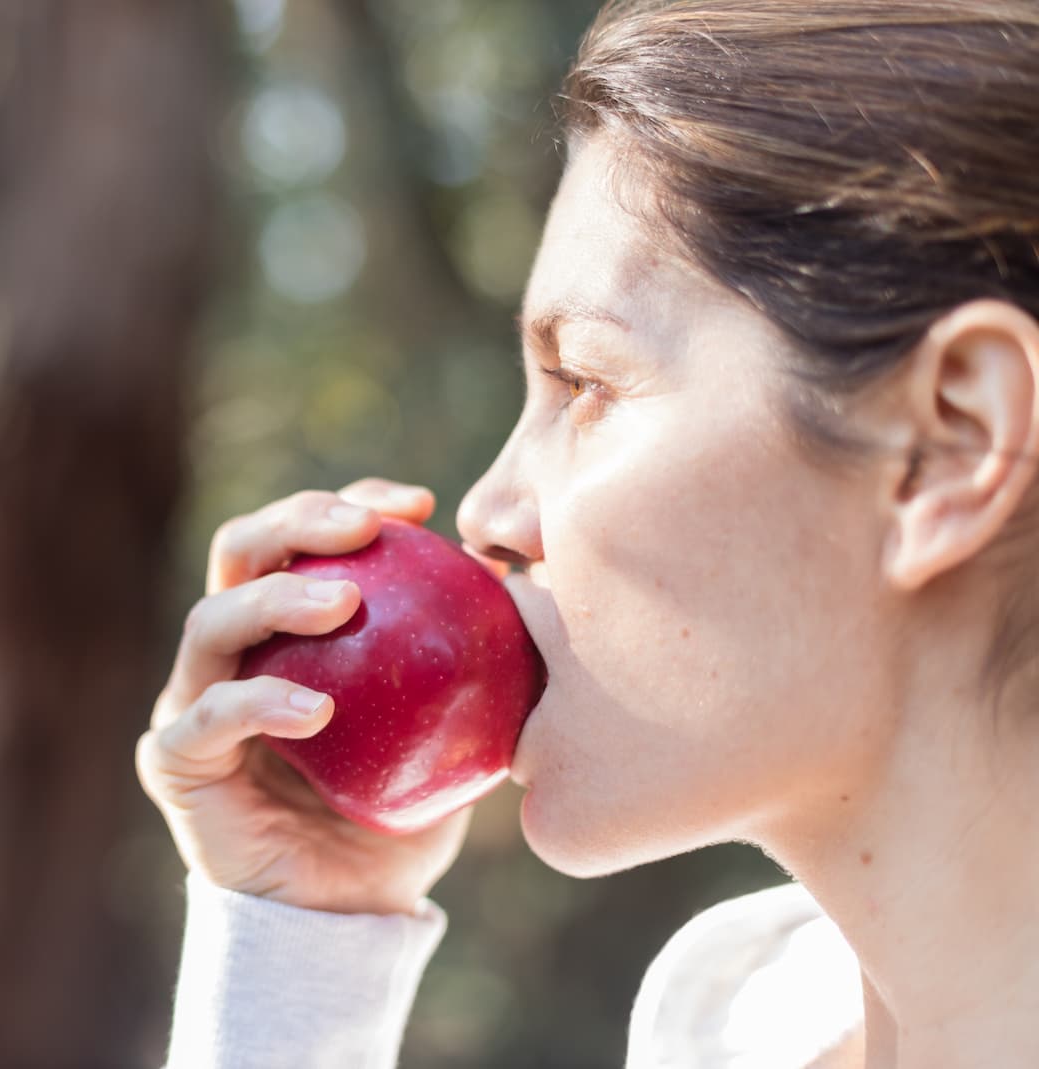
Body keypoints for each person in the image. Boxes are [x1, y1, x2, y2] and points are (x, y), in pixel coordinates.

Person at [136, 1, 1039, 1065]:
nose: (485, 513)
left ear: (947, 444)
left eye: (586, 382)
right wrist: (298, 953)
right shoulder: (730, 1031)